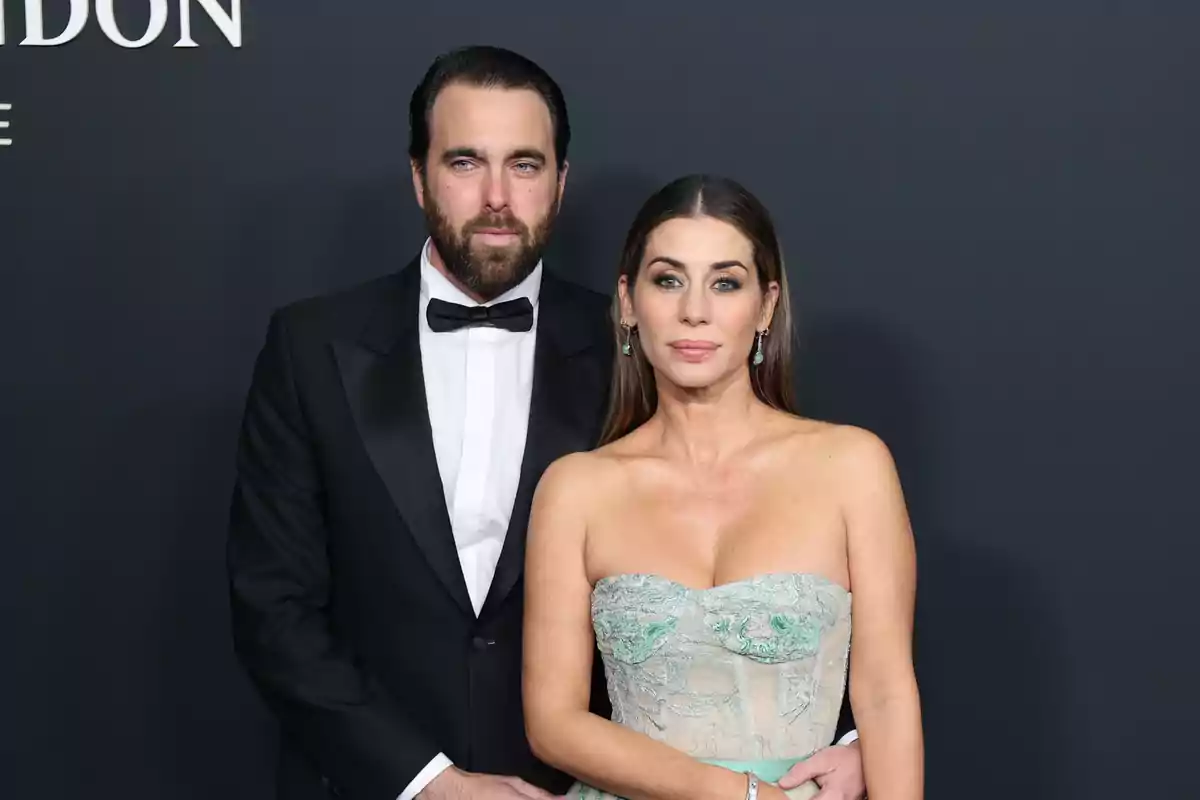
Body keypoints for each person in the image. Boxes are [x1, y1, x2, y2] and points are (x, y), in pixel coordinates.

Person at [227, 45, 868, 800]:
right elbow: (275, 609)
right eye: (465, 162)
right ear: (418, 174)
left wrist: (853, 739)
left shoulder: (644, 343)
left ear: (560, 183)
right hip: (372, 783)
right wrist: (428, 781)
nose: (497, 195)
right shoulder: (310, 348)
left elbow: (771, 532)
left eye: (525, 165)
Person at [522, 175, 923, 800]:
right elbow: (553, 722)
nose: (695, 311)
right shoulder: (575, 489)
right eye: (669, 279)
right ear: (628, 302)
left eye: (725, 282)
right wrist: (736, 794)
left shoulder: (851, 465)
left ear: (765, 307)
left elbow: (886, 693)